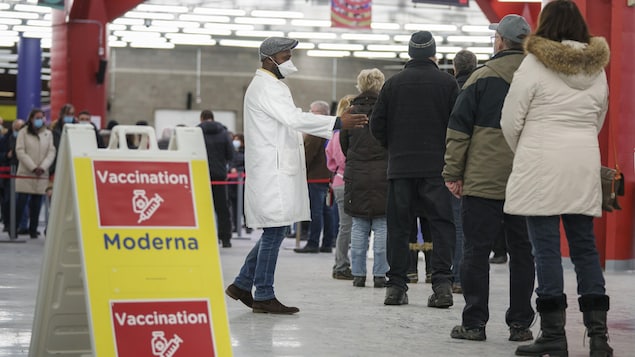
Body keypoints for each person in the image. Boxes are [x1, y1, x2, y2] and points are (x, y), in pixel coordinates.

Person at [224, 37, 368, 314]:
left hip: (275, 169)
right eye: (285, 55)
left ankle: (242, 284)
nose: (289, 61)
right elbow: (294, 119)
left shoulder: (272, 86)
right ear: (269, 59)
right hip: (272, 171)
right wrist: (338, 122)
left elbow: (292, 118)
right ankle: (263, 294)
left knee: (274, 230)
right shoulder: (266, 87)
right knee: (275, 230)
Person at [500, 1, 612, 356]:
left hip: (541, 164)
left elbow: (510, 120)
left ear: (545, 25)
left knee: (545, 249)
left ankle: (553, 335)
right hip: (582, 162)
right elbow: (599, 117)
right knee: (584, 248)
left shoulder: (534, 64)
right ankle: (598, 338)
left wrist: (528, 150)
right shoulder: (596, 68)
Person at [444, 14, 535, 342]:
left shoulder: (480, 78)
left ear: (500, 41)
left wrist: (453, 172)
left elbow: (458, 130)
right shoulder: (540, 78)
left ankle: (474, 323)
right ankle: (521, 325)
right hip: (526, 181)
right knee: (523, 252)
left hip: (482, 182)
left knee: (476, 251)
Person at [370, 31, 458, 307]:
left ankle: (395, 287)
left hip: (401, 168)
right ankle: (442, 285)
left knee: (398, 227)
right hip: (437, 168)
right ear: (433, 54)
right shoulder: (448, 83)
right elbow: (458, 126)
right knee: (441, 225)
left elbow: (377, 126)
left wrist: (395, 148)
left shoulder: (393, 84)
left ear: (409, 53)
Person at [340, 68, 389, 288]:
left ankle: (358, 274)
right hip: (384, 174)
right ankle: (380, 275)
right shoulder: (388, 110)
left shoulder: (350, 112)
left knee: (358, 225)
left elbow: (344, 144)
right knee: (382, 225)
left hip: (356, 174)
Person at [450, 49, 477, 293]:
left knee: (454, 224)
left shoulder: (449, 91)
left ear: (454, 68)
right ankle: (467, 277)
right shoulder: (483, 87)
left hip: (452, 164)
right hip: (479, 167)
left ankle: (455, 276)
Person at [294, 100, 337, 254]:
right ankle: (327, 243)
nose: (309, 113)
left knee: (316, 211)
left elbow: (308, 154)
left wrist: (298, 169)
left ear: (318, 113)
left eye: (311, 111)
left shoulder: (315, 129)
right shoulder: (329, 127)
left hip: (314, 176)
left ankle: (313, 243)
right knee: (326, 211)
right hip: (326, 175)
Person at [326, 95, 356, 280]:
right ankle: (341, 264)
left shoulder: (334, 136)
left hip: (337, 181)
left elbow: (330, 163)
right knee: (350, 227)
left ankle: (340, 263)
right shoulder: (348, 135)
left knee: (344, 226)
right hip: (349, 181)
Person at [15, 109, 56, 239]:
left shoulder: (48, 134)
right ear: (31, 118)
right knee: (21, 202)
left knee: (37, 204)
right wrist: (33, 167)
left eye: (42, 117)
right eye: (37, 117)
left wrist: (43, 167)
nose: (40, 120)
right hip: (26, 172)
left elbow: (51, 152)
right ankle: (14, 227)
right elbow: (20, 151)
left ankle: (33, 230)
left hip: (41, 174)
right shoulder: (23, 132)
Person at [198, 109, 234, 248]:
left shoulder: (197, 132)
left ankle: (205, 237)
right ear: (213, 118)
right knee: (222, 208)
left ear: (201, 118)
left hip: (201, 173)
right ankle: (225, 239)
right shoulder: (224, 133)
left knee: (202, 207)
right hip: (219, 175)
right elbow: (230, 154)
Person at [0, 119, 24, 235]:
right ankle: (8, 223)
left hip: (22, 173)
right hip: (8, 172)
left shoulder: (25, 139)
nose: (18, 131)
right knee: (8, 199)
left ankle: (16, 225)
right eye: (17, 129)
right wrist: (6, 155)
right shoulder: (5, 139)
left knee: (20, 200)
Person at [50, 103, 75, 175]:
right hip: (55, 168)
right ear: (61, 114)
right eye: (67, 114)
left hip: (71, 167)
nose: (70, 116)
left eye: (72, 114)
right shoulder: (53, 129)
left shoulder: (77, 129)